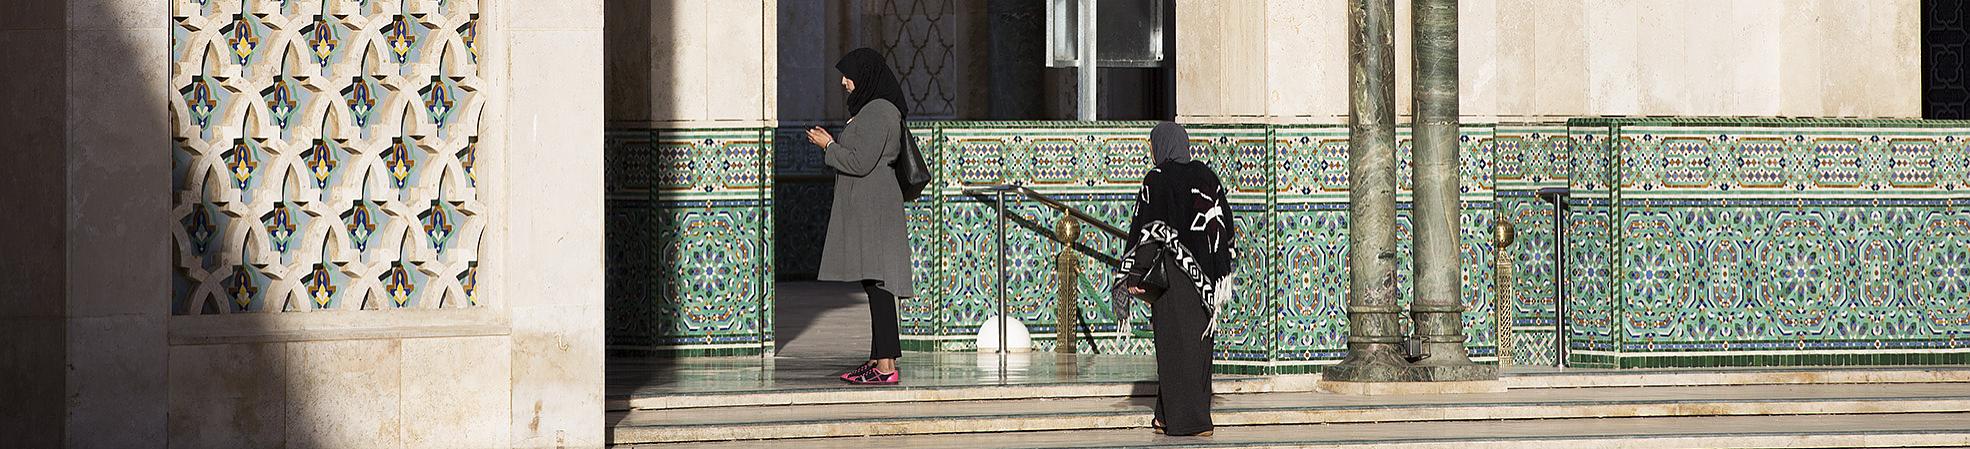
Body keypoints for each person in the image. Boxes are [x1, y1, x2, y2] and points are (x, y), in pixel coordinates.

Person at [1112, 122, 1236, 436]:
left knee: (1174, 346)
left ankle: (1193, 422)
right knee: (1198, 346)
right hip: (1206, 279)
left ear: (1162, 146)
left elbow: (1149, 229)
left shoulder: (1158, 178)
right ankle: (1164, 415)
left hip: (1174, 277)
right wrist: (1219, 269)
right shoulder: (1206, 176)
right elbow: (1224, 224)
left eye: (1153, 145)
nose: (1152, 151)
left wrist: (1135, 274)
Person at [805, 47, 914, 385]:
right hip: (869, 209)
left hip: (875, 210)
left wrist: (827, 146)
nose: (843, 82)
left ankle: (886, 368)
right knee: (874, 284)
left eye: (848, 74)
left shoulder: (881, 111)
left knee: (879, 285)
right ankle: (877, 359)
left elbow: (860, 162)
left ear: (865, 75)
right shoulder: (872, 110)